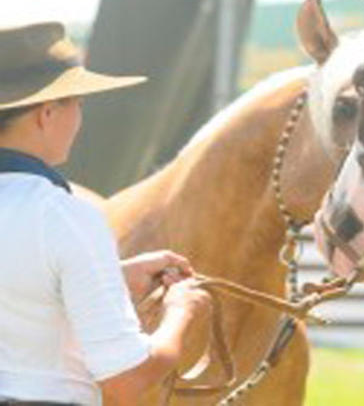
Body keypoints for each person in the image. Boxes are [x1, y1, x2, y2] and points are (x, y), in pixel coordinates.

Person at [0, 22, 211, 405]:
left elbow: (19, 286)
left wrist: (110, 277)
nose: (79, 119)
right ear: (46, 113)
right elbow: (125, 381)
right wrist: (180, 312)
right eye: (78, 103)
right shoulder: (62, 216)